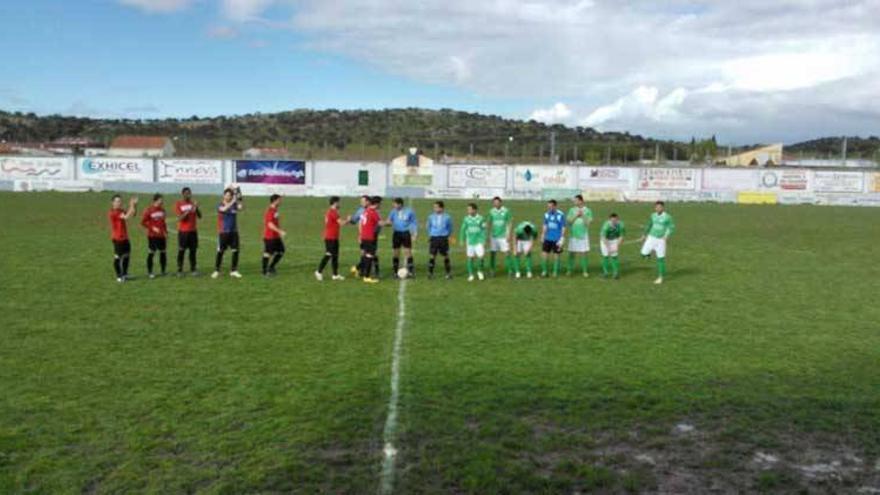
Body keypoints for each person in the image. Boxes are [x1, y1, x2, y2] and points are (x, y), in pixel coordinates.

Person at [637, 201, 675, 284]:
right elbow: (649, 225)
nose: (658, 208)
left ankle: (660, 277)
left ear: (663, 207)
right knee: (643, 253)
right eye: (656, 207)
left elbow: (671, 227)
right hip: (651, 238)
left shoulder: (667, 217)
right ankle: (648, 254)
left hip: (661, 240)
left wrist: (666, 236)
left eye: (660, 207)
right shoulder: (653, 215)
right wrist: (644, 235)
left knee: (660, 259)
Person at [212, 188, 244, 279]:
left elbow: (241, 207)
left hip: (234, 232)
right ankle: (216, 270)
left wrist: (239, 198)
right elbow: (223, 209)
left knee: (235, 251)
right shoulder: (220, 205)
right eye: (227, 195)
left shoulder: (234, 205)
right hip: (223, 232)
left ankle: (233, 270)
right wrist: (233, 201)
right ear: (224, 196)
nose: (228, 196)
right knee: (220, 251)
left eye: (230, 195)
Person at [315, 196, 347, 281]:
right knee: (329, 254)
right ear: (335, 203)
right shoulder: (333, 212)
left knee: (335, 256)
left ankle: (335, 275)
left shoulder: (331, 212)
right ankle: (318, 271)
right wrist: (348, 220)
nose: (340, 204)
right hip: (330, 237)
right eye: (339, 202)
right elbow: (341, 223)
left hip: (334, 236)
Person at [349, 195, 381, 278]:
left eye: (363, 201)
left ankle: (372, 271)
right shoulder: (362, 211)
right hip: (366, 235)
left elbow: (377, 223)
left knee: (373, 253)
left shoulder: (375, 210)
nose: (361, 203)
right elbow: (354, 221)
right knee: (366, 253)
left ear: (368, 202)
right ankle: (362, 271)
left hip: (373, 235)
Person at [108, 194, 138, 282]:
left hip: (125, 237)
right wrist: (131, 205)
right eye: (117, 201)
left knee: (126, 256)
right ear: (112, 203)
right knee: (118, 257)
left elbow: (133, 214)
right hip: (118, 238)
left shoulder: (121, 210)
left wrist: (134, 206)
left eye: (120, 201)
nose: (119, 203)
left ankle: (125, 274)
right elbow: (126, 217)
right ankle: (119, 276)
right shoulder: (113, 212)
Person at [387, 197, 417, 278]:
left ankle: (411, 272)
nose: (393, 205)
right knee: (396, 253)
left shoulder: (409, 211)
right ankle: (395, 272)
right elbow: (389, 221)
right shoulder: (393, 212)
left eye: (395, 204)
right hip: (396, 233)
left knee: (408, 252)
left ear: (400, 204)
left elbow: (414, 223)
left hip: (406, 233)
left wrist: (414, 234)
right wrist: (387, 223)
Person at [174, 187, 201, 276]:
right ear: (183, 194)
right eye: (186, 193)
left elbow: (200, 216)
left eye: (189, 193)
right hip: (183, 232)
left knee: (193, 251)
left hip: (193, 231)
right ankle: (179, 270)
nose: (188, 195)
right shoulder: (179, 204)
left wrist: (196, 208)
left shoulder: (193, 203)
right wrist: (188, 211)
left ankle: (193, 269)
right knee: (181, 250)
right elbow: (180, 218)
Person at [140, 193, 168, 278]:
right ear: (155, 200)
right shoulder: (148, 210)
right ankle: (150, 272)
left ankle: (163, 271)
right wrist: (152, 228)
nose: (162, 201)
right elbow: (143, 222)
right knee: (151, 253)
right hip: (152, 236)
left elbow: (163, 222)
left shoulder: (163, 210)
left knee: (163, 253)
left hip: (161, 236)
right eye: (160, 200)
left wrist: (165, 232)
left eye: (162, 200)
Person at [425, 200, 453, 279]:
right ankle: (430, 273)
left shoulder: (447, 217)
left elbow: (450, 227)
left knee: (445, 255)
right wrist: (431, 234)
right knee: (432, 255)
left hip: (443, 238)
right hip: (434, 238)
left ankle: (448, 273)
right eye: (434, 207)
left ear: (442, 208)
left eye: (436, 207)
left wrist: (448, 235)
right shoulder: (431, 217)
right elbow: (428, 226)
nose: (435, 209)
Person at [567, 194, 593, 277]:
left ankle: (585, 271)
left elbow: (588, 224)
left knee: (584, 253)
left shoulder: (588, 210)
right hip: (573, 234)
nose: (574, 202)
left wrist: (583, 215)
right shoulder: (571, 210)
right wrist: (576, 215)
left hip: (583, 235)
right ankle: (569, 270)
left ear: (581, 201)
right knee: (572, 253)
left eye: (576, 200)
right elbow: (569, 222)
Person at [460, 202, 487, 281]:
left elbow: (484, 230)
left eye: (470, 209)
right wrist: (462, 239)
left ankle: (480, 271)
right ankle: (471, 274)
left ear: (475, 210)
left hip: (479, 241)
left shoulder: (481, 218)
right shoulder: (466, 219)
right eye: (468, 209)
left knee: (481, 257)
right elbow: (463, 229)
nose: (468, 211)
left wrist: (484, 240)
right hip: (470, 241)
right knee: (470, 258)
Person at [358, 196, 383, 284]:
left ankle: (359, 269)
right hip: (369, 237)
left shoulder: (366, 211)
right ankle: (367, 276)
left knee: (366, 255)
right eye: (380, 204)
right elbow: (380, 223)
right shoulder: (373, 212)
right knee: (370, 255)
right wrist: (390, 222)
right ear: (376, 204)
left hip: (364, 236)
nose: (380, 205)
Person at [487, 196, 513, 277]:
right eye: (494, 203)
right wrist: (488, 234)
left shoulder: (506, 211)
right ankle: (492, 270)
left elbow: (510, 222)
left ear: (501, 202)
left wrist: (509, 234)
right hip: (494, 236)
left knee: (507, 253)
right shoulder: (491, 211)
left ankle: (510, 271)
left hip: (503, 236)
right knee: (492, 253)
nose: (496, 204)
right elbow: (489, 223)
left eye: (497, 202)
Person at [261, 194, 286, 276]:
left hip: (276, 237)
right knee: (267, 253)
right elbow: (269, 224)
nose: (281, 202)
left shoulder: (275, 209)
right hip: (269, 236)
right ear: (275, 201)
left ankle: (271, 267)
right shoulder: (270, 211)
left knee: (281, 251)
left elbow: (276, 200)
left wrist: (281, 196)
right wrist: (280, 231)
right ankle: (264, 272)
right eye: (279, 200)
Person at [540, 199, 566, 277]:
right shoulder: (546, 214)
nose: (549, 208)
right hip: (548, 238)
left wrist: (562, 237)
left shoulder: (560, 215)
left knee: (556, 255)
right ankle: (544, 271)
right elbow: (545, 225)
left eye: (551, 206)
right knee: (544, 254)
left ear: (555, 206)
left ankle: (555, 272)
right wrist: (543, 235)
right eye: (548, 206)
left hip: (556, 239)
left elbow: (563, 227)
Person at [599, 213, 626, 279]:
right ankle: (605, 273)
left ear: (618, 219)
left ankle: (615, 273)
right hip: (605, 241)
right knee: (605, 256)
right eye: (612, 221)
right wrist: (608, 248)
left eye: (615, 220)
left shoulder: (621, 225)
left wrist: (616, 246)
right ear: (610, 220)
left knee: (614, 256)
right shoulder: (606, 225)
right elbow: (603, 237)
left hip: (614, 240)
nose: (614, 222)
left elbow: (621, 236)